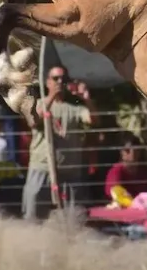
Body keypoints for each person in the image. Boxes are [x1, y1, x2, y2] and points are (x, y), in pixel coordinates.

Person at [23, 65, 96, 219]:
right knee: (34, 216)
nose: (60, 81)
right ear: (47, 82)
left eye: (64, 78)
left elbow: (93, 119)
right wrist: (51, 97)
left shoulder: (74, 108)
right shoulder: (37, 103)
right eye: (56, 78)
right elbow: (33, 121)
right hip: (42, 168)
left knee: (74, 218)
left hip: (69, 171)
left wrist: (87, 98)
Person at [104, 134, 147, 207]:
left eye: (136, 150)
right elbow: (113, 193)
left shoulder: (143, 171)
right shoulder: (116, 171)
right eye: (127, 150)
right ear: (121, 152)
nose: (132, 154)